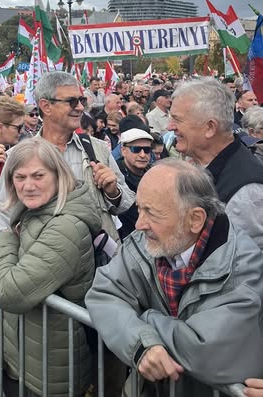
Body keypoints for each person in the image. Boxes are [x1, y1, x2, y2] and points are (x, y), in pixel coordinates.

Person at [86, 161, 263, 396]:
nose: (139, 224)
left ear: (195, 219)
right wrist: (140, 343)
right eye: (139, 208)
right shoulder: (146, 243)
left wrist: (144, 318)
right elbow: (103, 293)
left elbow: (207, 352)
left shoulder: (242, 266)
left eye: (151, 212)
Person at [0, 72, 134, 270]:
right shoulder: (18, 156)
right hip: (45, 270)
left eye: (81, 100)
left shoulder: (97, 149)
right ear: (46, 106)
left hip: (98, 269)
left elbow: (126, 203)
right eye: (72, 101)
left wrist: (113, 192)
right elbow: (5, 213)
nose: (80, 107)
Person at [0, 138, 100, 397]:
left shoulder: (66, 227)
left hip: (51, 372)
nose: (28, 186)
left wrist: (4, 239)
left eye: (38, 176)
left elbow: (9, 292)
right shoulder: (35, 211)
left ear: (59, 175)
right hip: (26, 359)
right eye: (20, 177)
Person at [168, 78, 263, 250]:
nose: (169, 127)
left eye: (177, 120)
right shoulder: (197, 166)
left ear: (210, 128)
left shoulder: (246, 192)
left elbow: (246, 260)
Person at [114, 128, 154, 239]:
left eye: (147, 150)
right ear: (123, 150)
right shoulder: (115, 176)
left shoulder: (154, 174)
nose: (142, 155)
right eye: (136, 149)